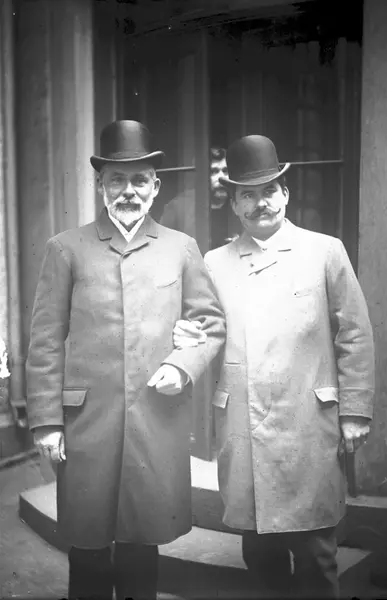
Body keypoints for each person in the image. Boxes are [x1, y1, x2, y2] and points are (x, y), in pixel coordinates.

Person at [25, 120, 226, 600]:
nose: (129, 191)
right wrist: (47, 422)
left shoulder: (180, 248)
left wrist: (182, 364)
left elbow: (210, 323)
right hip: (86, 424)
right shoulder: (66, 248)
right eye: (117, 180)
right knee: (88, 547)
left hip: (155, 421)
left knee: (141, 544)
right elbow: (46, 340)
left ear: (156, 187)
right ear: (101, 184)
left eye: (139, 181)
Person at [173, 135, 375, 599]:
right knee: (259, 553)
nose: (259, 203)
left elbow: (355, 334)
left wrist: (355, 411)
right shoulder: (215, 262)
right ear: (234, 204)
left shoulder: (325, 251)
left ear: (286, 194)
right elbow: (203, 328)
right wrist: (183, 336)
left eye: (269, 191)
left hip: (309, 424)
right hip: (245, 427)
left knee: (316, 553)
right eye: (247, 194)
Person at [159, 147, 239, 248]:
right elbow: (162, 248)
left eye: (225, 171)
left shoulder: (239, 205)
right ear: (201, 175)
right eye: (214, 171)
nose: (221, 178)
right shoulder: (178, 207)